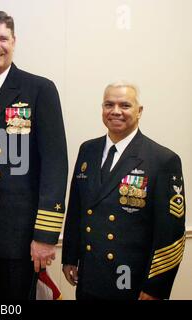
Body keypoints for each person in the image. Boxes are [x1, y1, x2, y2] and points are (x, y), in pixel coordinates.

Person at [0, 10, 68, 300]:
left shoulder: (39, 89)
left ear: (14, 42)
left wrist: (45, 236)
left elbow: (55, 166)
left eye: (2, 38)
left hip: (18, 236)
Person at [62, 81, 186, 300]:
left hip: (131, 278)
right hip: (90, 274)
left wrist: (155, 287)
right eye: (109, 104)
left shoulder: (162, 159)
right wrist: (70, 257)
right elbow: (76, 209)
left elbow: (171, 233)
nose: (116, 111)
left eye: (125, 105)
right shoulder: (88, 150)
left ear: (139, 111)